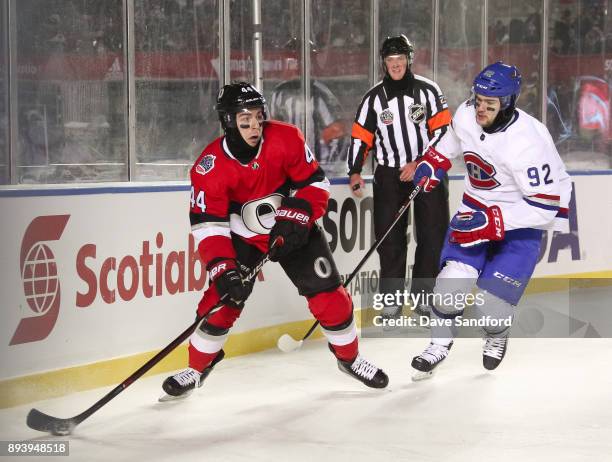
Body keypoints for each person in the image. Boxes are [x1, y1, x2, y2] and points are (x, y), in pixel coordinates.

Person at [161, 82, 388, 399]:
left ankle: (350, 359)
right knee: (220, 303)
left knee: (330, 298)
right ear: (228, 122)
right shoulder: (208, 167)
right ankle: (197, 369)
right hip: (244, 239)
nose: (254, 126)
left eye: (258, 117)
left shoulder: (286, 137)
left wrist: (297, 216)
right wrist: (224, 269)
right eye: (245, 120)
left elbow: (316, 183)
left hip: (291, 230)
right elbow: (207, 225)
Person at [410, 62, 571, 374]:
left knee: (490, 307)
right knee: (449, 288)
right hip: (474, 209)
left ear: (508, 103)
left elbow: (545, 207)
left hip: (520, 225)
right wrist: (434, 160)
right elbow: (452, 142)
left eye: (490, 105)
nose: (480, 109)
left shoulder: (530, 141)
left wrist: (493, 222)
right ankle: (439, 345)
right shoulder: (467, 114)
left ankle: (496, 334)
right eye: (478, 99)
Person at [347, 34, 451, 322]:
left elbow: (444, 133)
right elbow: (361, 137)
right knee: (390, 239)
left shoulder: (429, 91)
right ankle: (392, 300)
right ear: (384, 63)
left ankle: (424, 298)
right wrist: (355, 170)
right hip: (390, 175)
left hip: (428, 170)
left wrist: (420, 162)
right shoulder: (373, 99)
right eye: (390, 60)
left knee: (432, 236)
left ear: (409, 59)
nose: (395, 65)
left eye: (400, 59)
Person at [270, 38, 349, 172]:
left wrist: (328, 170)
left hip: (318, 170)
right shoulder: (278, 93)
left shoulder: (320, 94)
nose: (292, 66)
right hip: (290, 170)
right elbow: (273, 132)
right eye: (290, 61)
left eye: (296, 61)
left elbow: (338, 133)